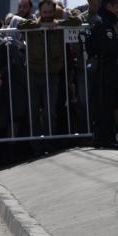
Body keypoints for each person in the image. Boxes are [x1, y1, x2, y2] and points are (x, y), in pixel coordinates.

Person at [17, 0, 81, 136]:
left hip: (52, 74)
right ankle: (36, 145)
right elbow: (20, 25)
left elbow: (77, 20)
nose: (47, 15)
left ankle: (49, 141)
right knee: (33, 112)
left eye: (50, 12)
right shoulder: (33, 24)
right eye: (45, 12)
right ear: (40, 12)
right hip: (33, 73)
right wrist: (40, 25)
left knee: (50, 112)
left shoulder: (58, 24)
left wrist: (58, 23)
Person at [87, 0, 118, 147]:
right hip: (105, 71)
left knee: (109, 104)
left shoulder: (107, 20)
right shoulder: (103, 22)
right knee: (106, 104)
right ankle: (105, 138)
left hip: (108, 70)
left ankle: (106, 137)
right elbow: (108, 47)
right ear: (110, 5)